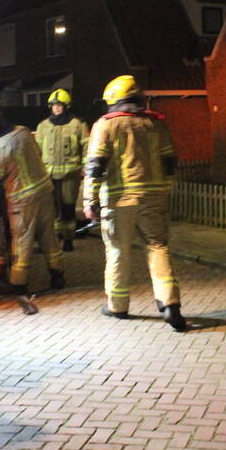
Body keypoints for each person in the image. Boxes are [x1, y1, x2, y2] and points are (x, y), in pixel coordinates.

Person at [82, 75, 185, 331]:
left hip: (119, 201)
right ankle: (170, 304)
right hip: (154, 197)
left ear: (114, 100)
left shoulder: (105, 125)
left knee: (118, 251)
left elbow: (95, 166)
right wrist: (165, 190)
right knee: (158, 247)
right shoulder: (156, 123)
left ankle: (117, 305)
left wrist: (89, 200)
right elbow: (170, 162)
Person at [0, 95, 64, 294]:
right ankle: (58, 276)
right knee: (49, 237)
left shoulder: (0, 147)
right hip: (45, 191)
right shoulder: (24, 132)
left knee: (21, 242)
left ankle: (18, 285)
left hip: (22, 200)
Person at [35, 89, 89, 251]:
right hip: (49, 175)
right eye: (54, 105)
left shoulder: (77, 124)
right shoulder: (43, 126)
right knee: (52, 209)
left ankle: (68, 239)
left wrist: (85, 167)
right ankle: (55, 237)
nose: (57, 108)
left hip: (70, 175)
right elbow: (37, 151)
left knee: (68, 208)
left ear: (66, 106)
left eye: (60, 105)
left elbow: (86, 147)